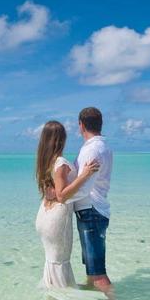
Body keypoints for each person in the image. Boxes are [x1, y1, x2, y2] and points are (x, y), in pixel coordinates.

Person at [34, 121, 99, 289]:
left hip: (44, 215)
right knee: (60, 262)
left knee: (52, 261)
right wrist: (84, 175)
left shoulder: (44, 162)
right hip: (57, 218)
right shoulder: (60, 163)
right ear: (61, 140)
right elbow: (62, 196)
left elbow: (53, 192)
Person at [71, 107, 114, 295]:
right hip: (93, 211)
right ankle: (95, 297)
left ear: (81, 125)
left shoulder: (92, 149)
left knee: (98, 274)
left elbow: (83, 188)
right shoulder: (100, 146)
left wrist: (59, 198)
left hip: (91, 211)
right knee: (91, 270)